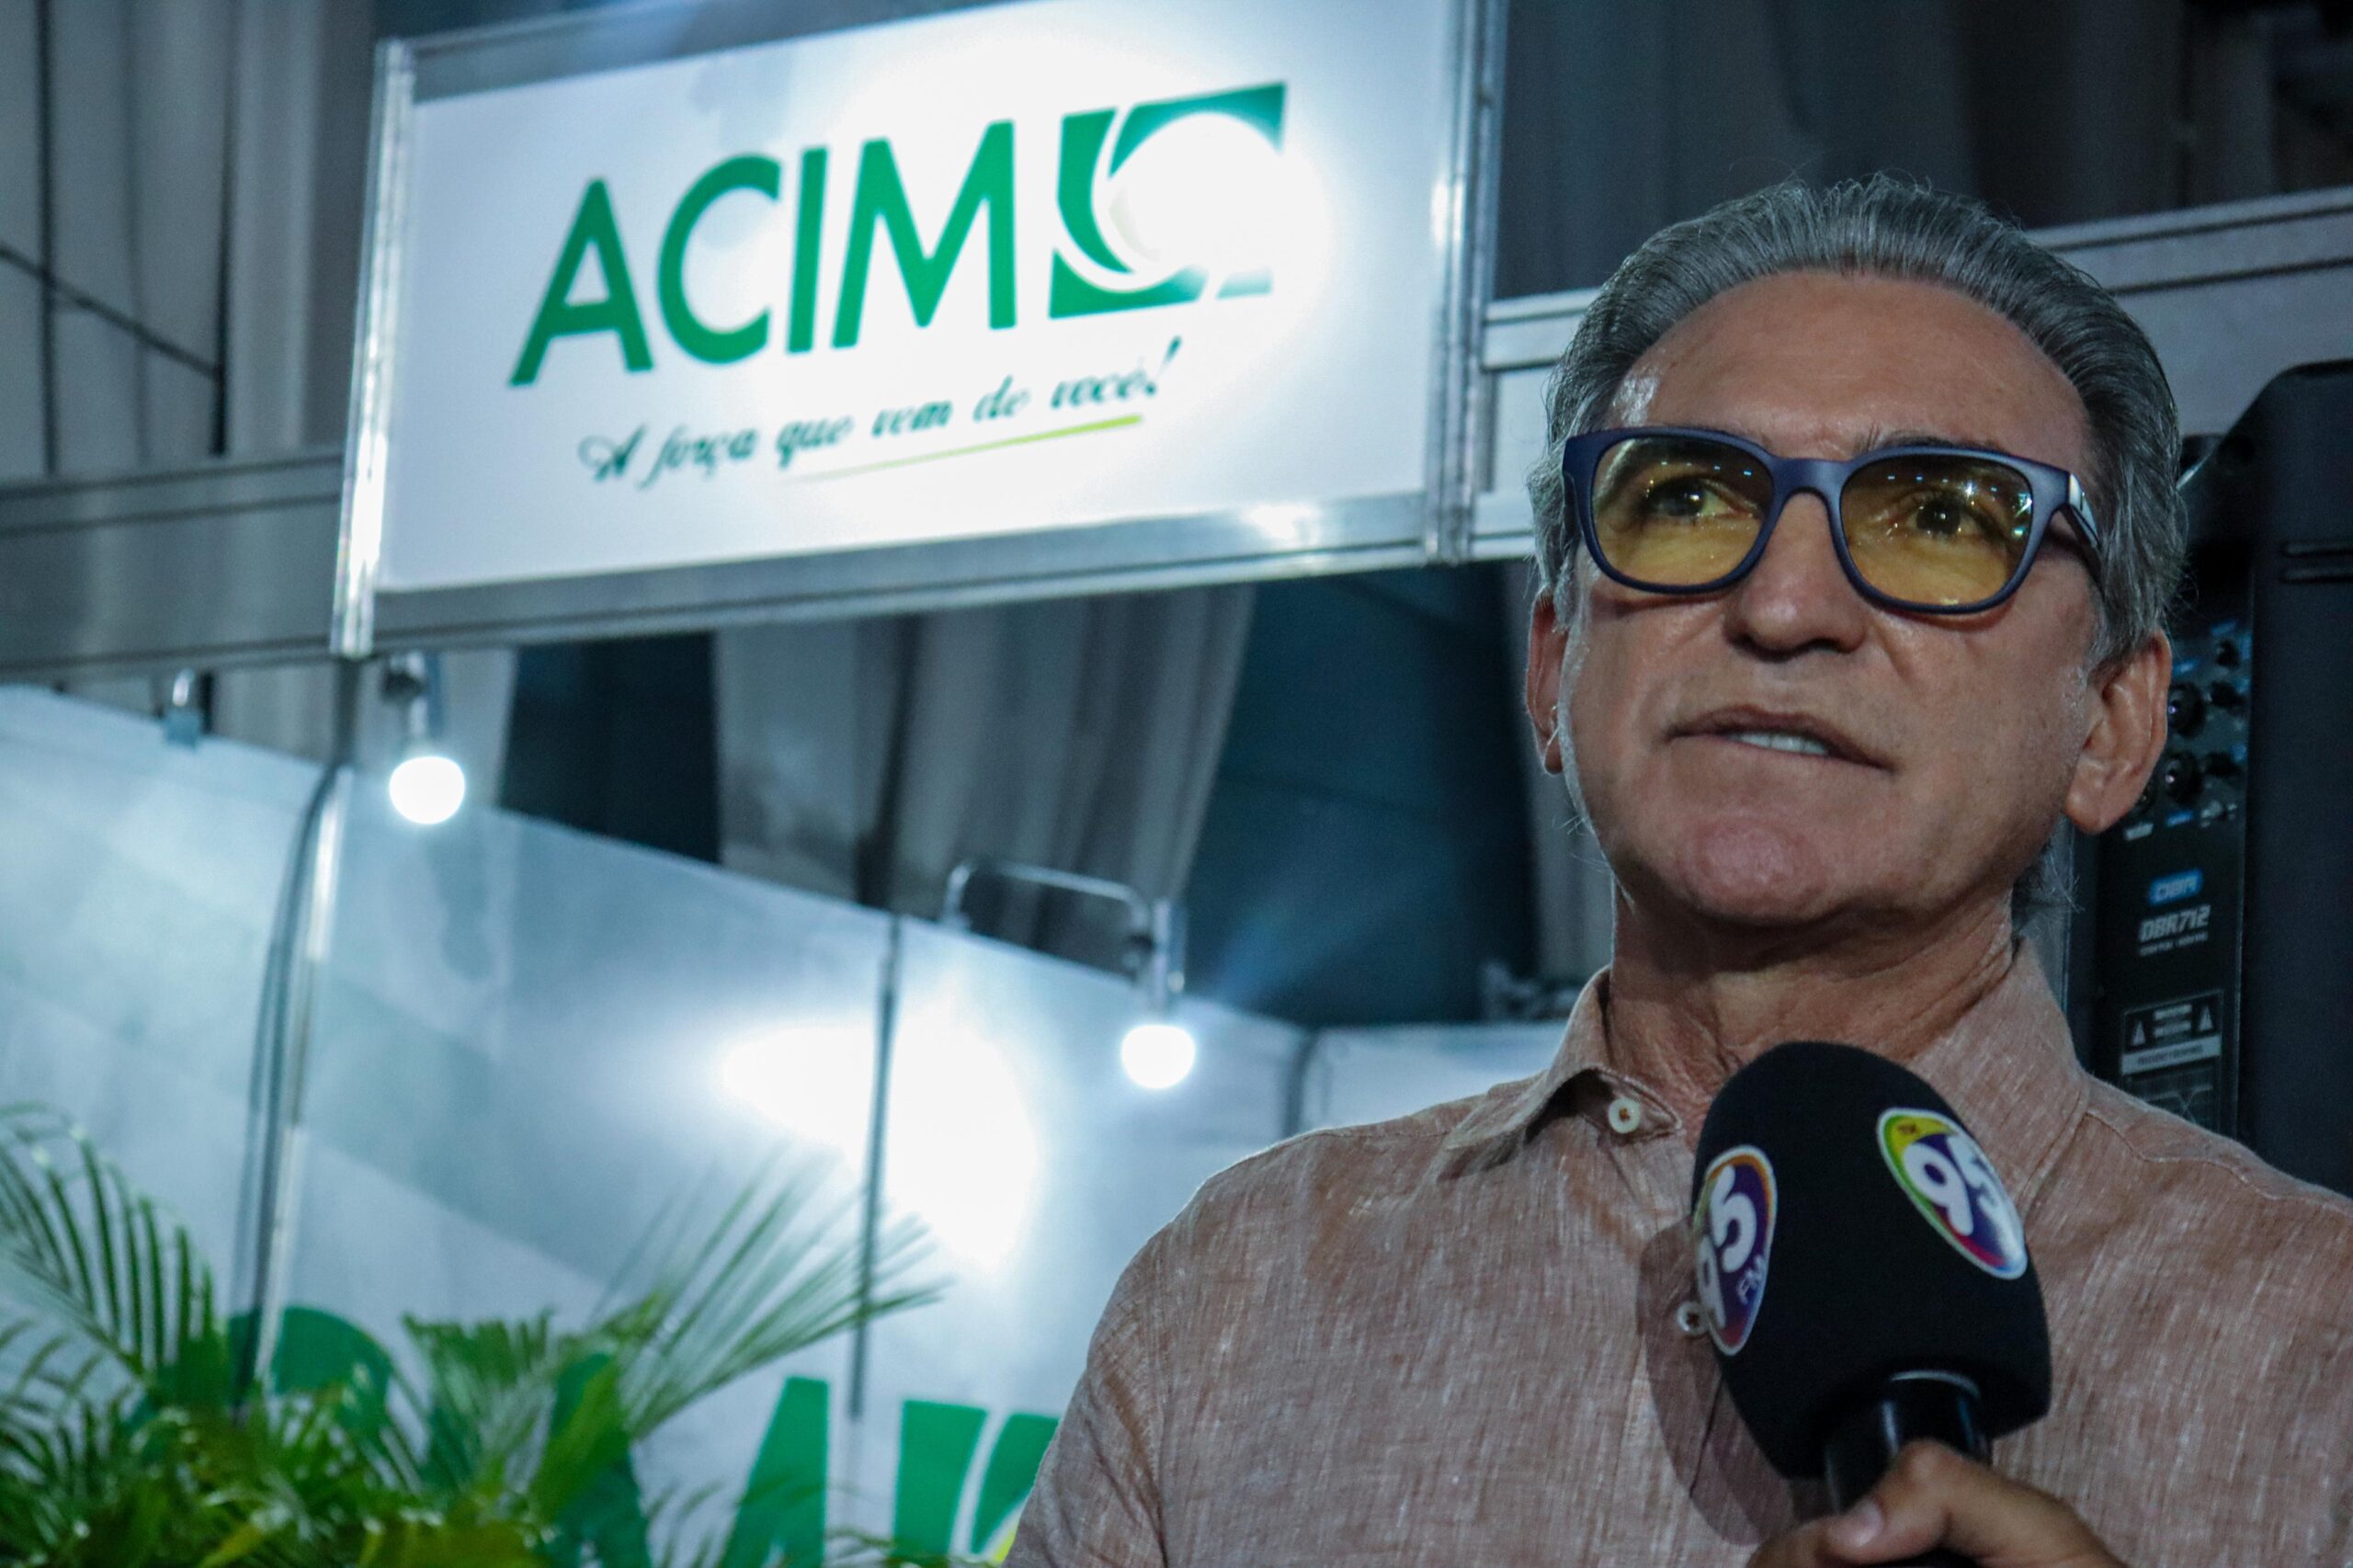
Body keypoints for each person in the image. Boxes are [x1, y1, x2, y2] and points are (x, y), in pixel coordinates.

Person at [1004, 178, 2353, 1567]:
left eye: (1941, 519)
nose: (1784, 606)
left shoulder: (2325, 1348)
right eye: (1690, 498)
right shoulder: (1234, 1294)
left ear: (2115, 723)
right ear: (1553, 668)